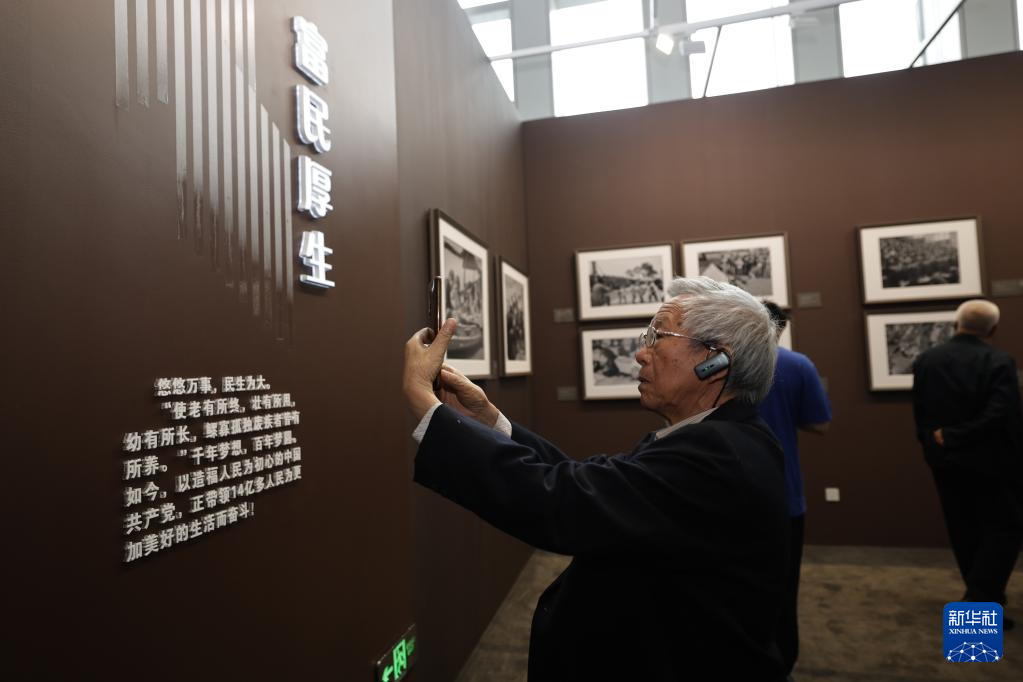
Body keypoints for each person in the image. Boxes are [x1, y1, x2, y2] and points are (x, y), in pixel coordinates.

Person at [403, 277, 789, 681]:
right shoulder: (721, 439)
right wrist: (488, 420)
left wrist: (424, 402)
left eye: (659, 337)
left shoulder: (714, 456)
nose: (641, 352)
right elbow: (595, 488)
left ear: (717, 361)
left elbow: (563, 503)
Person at [912, 299, 1023, 627]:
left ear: (955, 324)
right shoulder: (998, 361)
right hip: (992, 461)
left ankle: (984, 599)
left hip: (945, 461)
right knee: (1004, 529)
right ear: (993, 329)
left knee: (963, 529)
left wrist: (933, 445)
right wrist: (957, 435)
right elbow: (1000, 413)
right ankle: (979, 602)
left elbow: (920, 413)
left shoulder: (927, 360)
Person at [758, 302, 832, 680]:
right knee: (784, 590)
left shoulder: (718, 363)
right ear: (781, 329)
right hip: (783, 493)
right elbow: (820, 423)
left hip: (726, 491)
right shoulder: (798, 365)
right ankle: (781, 665)